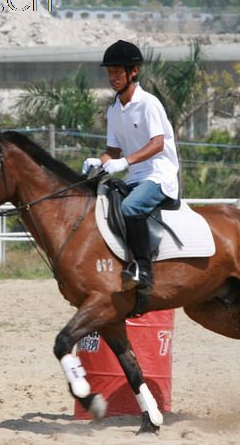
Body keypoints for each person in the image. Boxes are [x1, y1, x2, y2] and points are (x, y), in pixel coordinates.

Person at [82, 39, 180, 294]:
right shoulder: (114, 110)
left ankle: (144, 269)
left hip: (160, 174)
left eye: (116, 72)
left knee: (131, 206)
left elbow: (158, 143)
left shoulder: (149, 103)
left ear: (132, 71)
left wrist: (123, 162)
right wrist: (98, 161)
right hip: (136, 176)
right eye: (109, 73)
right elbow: (112, 152)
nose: (112, 78)